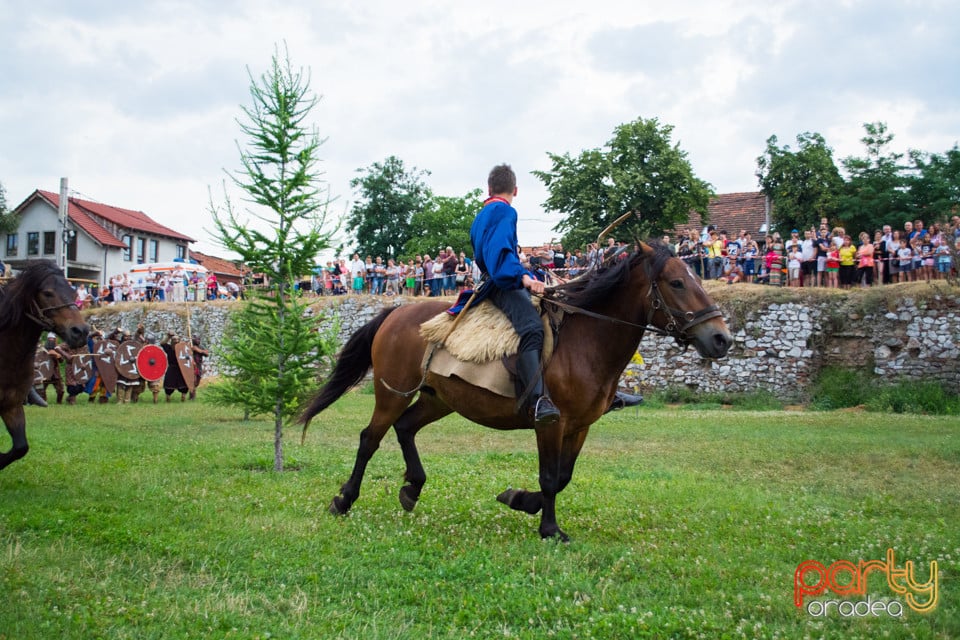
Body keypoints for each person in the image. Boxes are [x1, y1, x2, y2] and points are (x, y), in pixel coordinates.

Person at [470, 164, 560, 426]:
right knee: (533, 329)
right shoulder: (504, 211)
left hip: (498, 278)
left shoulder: (482, 214)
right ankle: (537, 401)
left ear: (489, 188)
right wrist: (523, 278)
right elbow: (500, 255)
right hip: (502, 283)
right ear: (516, 190)